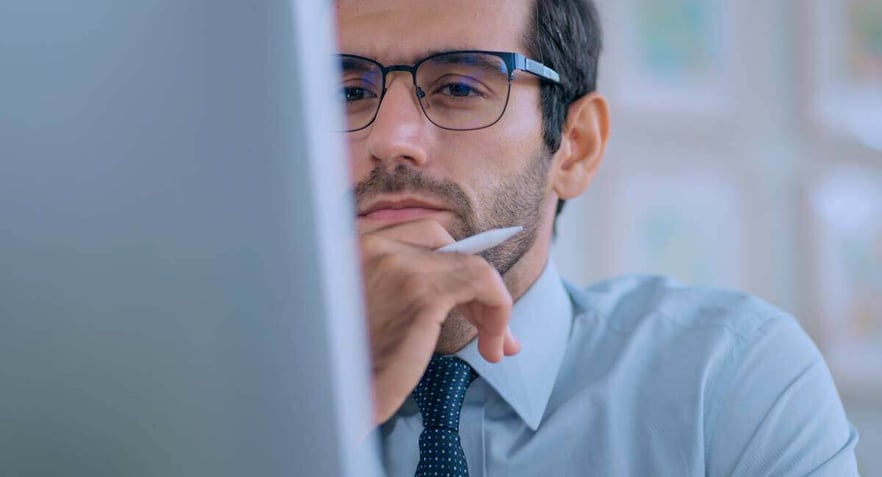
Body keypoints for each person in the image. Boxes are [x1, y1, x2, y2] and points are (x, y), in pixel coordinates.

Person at [335, 0, 860, 475]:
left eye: (460, 88)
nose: (391, 139)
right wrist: (335, 400)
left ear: (577, 147)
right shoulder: (257, 396)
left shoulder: (730, 376)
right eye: (349, 93)